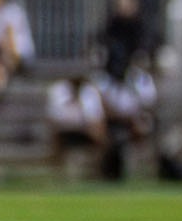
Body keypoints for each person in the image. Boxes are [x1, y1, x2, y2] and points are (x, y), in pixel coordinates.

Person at [93, 53, 158, 181]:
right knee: (103, 131)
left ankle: (139, 171)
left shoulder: (140, 79)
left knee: (142, 126)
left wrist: (133, 117)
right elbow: (101, 105)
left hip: (135, 120)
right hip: (112, 122)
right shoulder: (105, 81)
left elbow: (148, 104)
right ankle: (107, 170)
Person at [46, 71, 107, 178]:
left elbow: (96, 118)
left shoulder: (90, 91)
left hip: (85, 130)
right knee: (56, 138)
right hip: (65, 130)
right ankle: (58, 174)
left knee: (102, 137)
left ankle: (98, 173)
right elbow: (54, 118)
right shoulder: (58, 90)